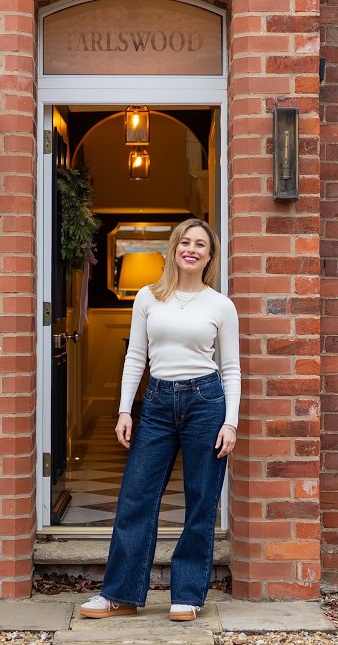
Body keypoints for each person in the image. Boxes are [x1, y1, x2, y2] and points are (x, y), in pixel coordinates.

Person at [79, 218, 240, 623]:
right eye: (184, 241)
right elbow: (136, 356)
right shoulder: (149, 298)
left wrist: (231, 422)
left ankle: (187, 595)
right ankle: (120, 593)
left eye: (200, 244)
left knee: (201, 502)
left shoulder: (221, 305)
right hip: (156, 403)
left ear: (209, 254)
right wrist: (123, 409)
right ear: (173, 248)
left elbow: (232, 369)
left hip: (206, 403)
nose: (191, 249)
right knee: (136, 497)